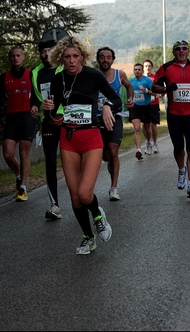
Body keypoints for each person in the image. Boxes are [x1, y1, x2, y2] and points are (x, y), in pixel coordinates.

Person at [42, 36, 122, 255]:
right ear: (60, 58)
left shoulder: (93, 76)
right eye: (67, 57)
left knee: (86, 194)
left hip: (91, 138)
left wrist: (106, 105)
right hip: (68, 139)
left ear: (82, 57)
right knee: (75, 197)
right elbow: (51, 115)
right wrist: (47, 107)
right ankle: (88, 237)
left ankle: (98, 216)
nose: (71, 61)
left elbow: (117, 100)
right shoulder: (58, 81)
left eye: (75, 56)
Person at [151, 40, 190, 198]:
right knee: (178, 149)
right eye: (178, 49)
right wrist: (166, 88)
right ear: (173, 52)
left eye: (184, 49)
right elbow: (154, 86)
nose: (181, 51)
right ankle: (181, 169)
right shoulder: (166, 67)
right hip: (174, 115)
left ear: (188, 51)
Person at [30, 27, 69, 220]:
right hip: (48, 122)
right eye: (42, 52)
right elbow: (34, 98)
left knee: (71, 162)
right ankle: (55, 205)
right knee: (51, 163)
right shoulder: (35, 73)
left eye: (49, 52)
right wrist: (34, 107)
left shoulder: (64, 68)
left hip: (68, 120)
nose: (46, 55)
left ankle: (82, 197)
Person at [0, 47, 37, 201]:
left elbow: (37, 95)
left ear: (23, 57)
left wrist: (36, 107)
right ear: (9, 58)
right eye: (12, 56)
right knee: (8, 154)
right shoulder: (4, 77)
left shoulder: (31, 74)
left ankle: (23, 188)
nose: (15, 58)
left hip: (27, 117)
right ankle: (19, 175)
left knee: (24, 152)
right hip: (11, 118)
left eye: (18, 55)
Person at [96, 46, 134, 201]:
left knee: (113, 150)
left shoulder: (120, 74)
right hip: (96, 119)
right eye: (102, 57)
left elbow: (129, 86)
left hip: (115, 116)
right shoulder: (92, 75)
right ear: (98, 59)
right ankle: (110, 164)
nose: (105, 60)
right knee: (105, 155)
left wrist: (130, 98)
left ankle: (114, 187)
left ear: (113, 59)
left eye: (108, 57)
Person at [128, 63, 153, 160]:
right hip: (135, 107)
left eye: (139, 69)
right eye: (135, 69)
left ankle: (148, 141)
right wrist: (129, 100)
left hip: (146, 107)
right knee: (137, 128)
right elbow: (128, 93)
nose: (137, 71)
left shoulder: (147, 80)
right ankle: (138, 150)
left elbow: (154, 92)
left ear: (142, 71)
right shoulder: (130, 82)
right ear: (133, 71)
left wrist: (146, 90)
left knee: (147, 129)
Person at [142, 59, 164, 154]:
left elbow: (163, 89)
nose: (148, 68)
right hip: (143, 104)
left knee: (153, 125)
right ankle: (148, 142)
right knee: (145, 125)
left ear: (152, 67)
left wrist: (160, 95)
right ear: (143, 68)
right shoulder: (140, 79)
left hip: (154, 104)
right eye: (146, 66)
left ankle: (155, 143)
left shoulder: (155, 78)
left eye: (149, 66)